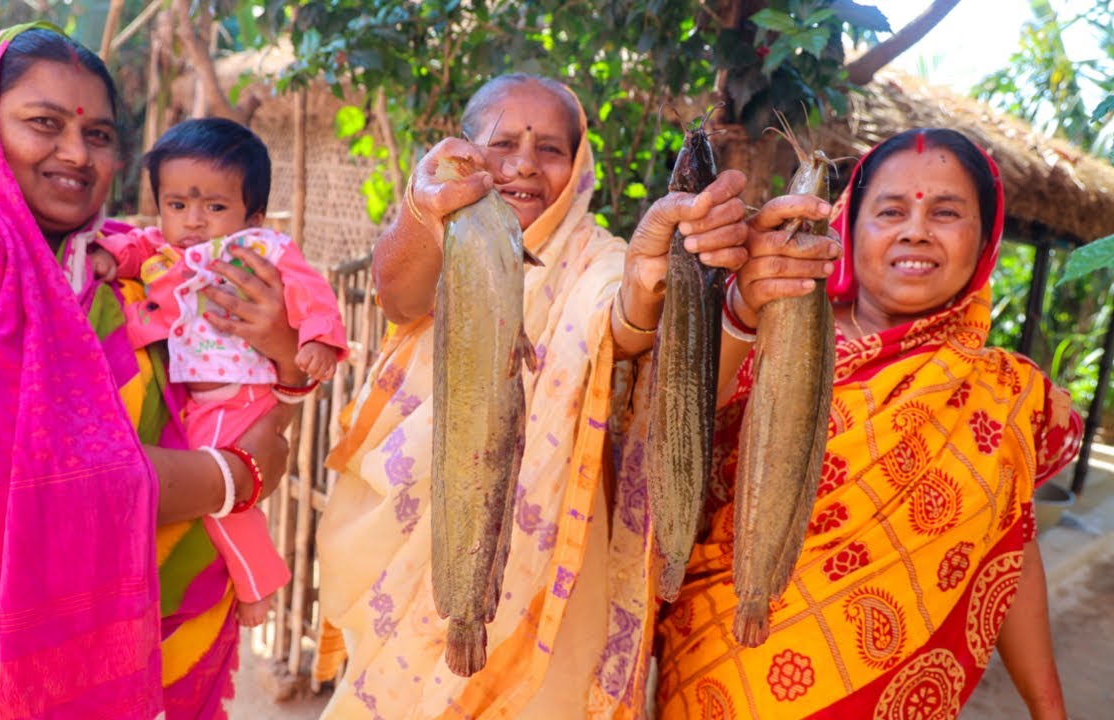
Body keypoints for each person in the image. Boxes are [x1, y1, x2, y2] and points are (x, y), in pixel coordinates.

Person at [312, 74, 841, 719]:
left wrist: (650, 278)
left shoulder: (597, 258)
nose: (525, 164)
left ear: (581, 163)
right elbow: (399, 294)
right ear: (465, 153)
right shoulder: (446, 239)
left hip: (559, 575)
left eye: (553, 149)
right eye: (503, 142)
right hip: (415, 551)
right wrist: (427, 211)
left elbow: (618, 317)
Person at [0, 25, 301, 718]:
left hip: (170, 624)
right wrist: (234, 478)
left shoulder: (133, 273)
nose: (77, 154)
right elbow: (31, 492)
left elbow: (238, 407)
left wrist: (287, 359)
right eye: (43, 125)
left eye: (101, 136)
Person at [655, 128, 1082, 719]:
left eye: (946, 212)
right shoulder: (765, 322)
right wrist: (739, 314)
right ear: (848, 228)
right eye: (890, 210)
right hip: (720, 679)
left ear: (984, 239)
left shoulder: (1008, 392)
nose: (916, 230)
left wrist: (1049, 708)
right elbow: (675, 418)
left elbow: (1010, 549)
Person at [90, 117, 347, 628]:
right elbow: (134, 245)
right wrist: (109, 257)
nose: (193, 222)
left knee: (224, 500)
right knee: (222, 489)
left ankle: (258, 584)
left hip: (242, 394)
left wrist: (318, 339)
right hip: (203, 399)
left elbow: (310, 291)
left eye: (215, 207)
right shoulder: (163, 252)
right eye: (177, 205)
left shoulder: (259, 252)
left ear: (252, 215)